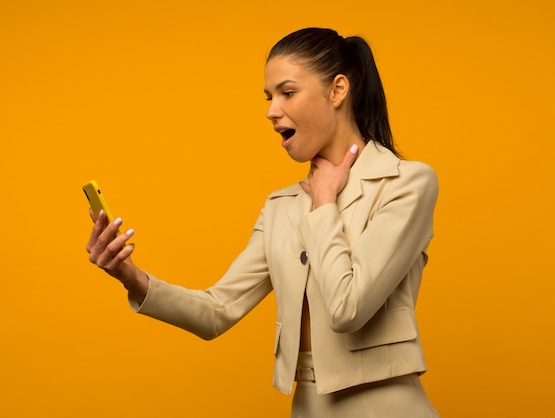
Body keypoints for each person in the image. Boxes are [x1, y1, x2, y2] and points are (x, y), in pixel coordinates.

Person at [86, 27, 439, 417]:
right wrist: (131, 277)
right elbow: (218, 310)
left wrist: (324, 203)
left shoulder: (405, 183)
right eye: (270, 97)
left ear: (338, 91)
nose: (272, 110)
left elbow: (348, 309)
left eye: (287, 93)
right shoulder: (281, 207)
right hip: (306, 406)